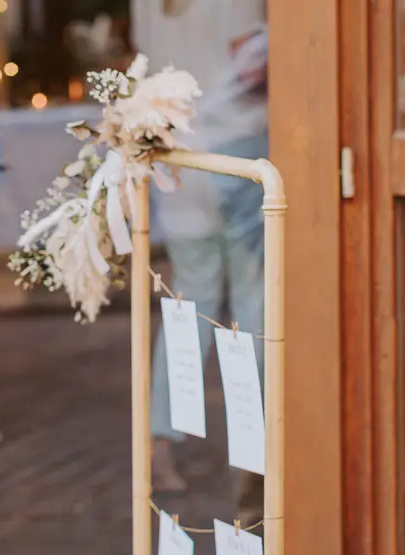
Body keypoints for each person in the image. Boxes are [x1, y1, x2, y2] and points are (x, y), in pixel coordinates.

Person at [148, 26, 268, 519]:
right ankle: (257, 456)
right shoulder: (252, 16)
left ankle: (158, 446)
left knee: (186, 314)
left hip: (180, 168)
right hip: (239, 164)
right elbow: (253, 68)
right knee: (253, 312)